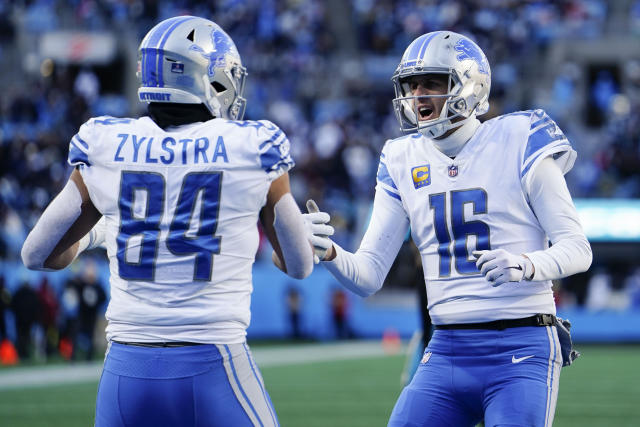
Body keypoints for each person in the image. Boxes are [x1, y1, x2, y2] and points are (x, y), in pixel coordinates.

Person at [22, 16, 313, 427]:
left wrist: (96, 236)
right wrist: (300, 232)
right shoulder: (253, 146)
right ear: (207, 78)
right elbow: (299, 265)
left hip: (125, 372)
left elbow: (37, 254)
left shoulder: (105, 142)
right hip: (213, 363)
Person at [303, 31, 592, 426]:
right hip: (446, 348)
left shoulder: (519, 138)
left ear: (469, 85)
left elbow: (578, 248)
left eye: (432, 83)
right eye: (411, 84)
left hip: (521, 343)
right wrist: (329, 253)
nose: (417, 94)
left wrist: (526, 264)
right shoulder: (401, 157)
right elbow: (369, 275)